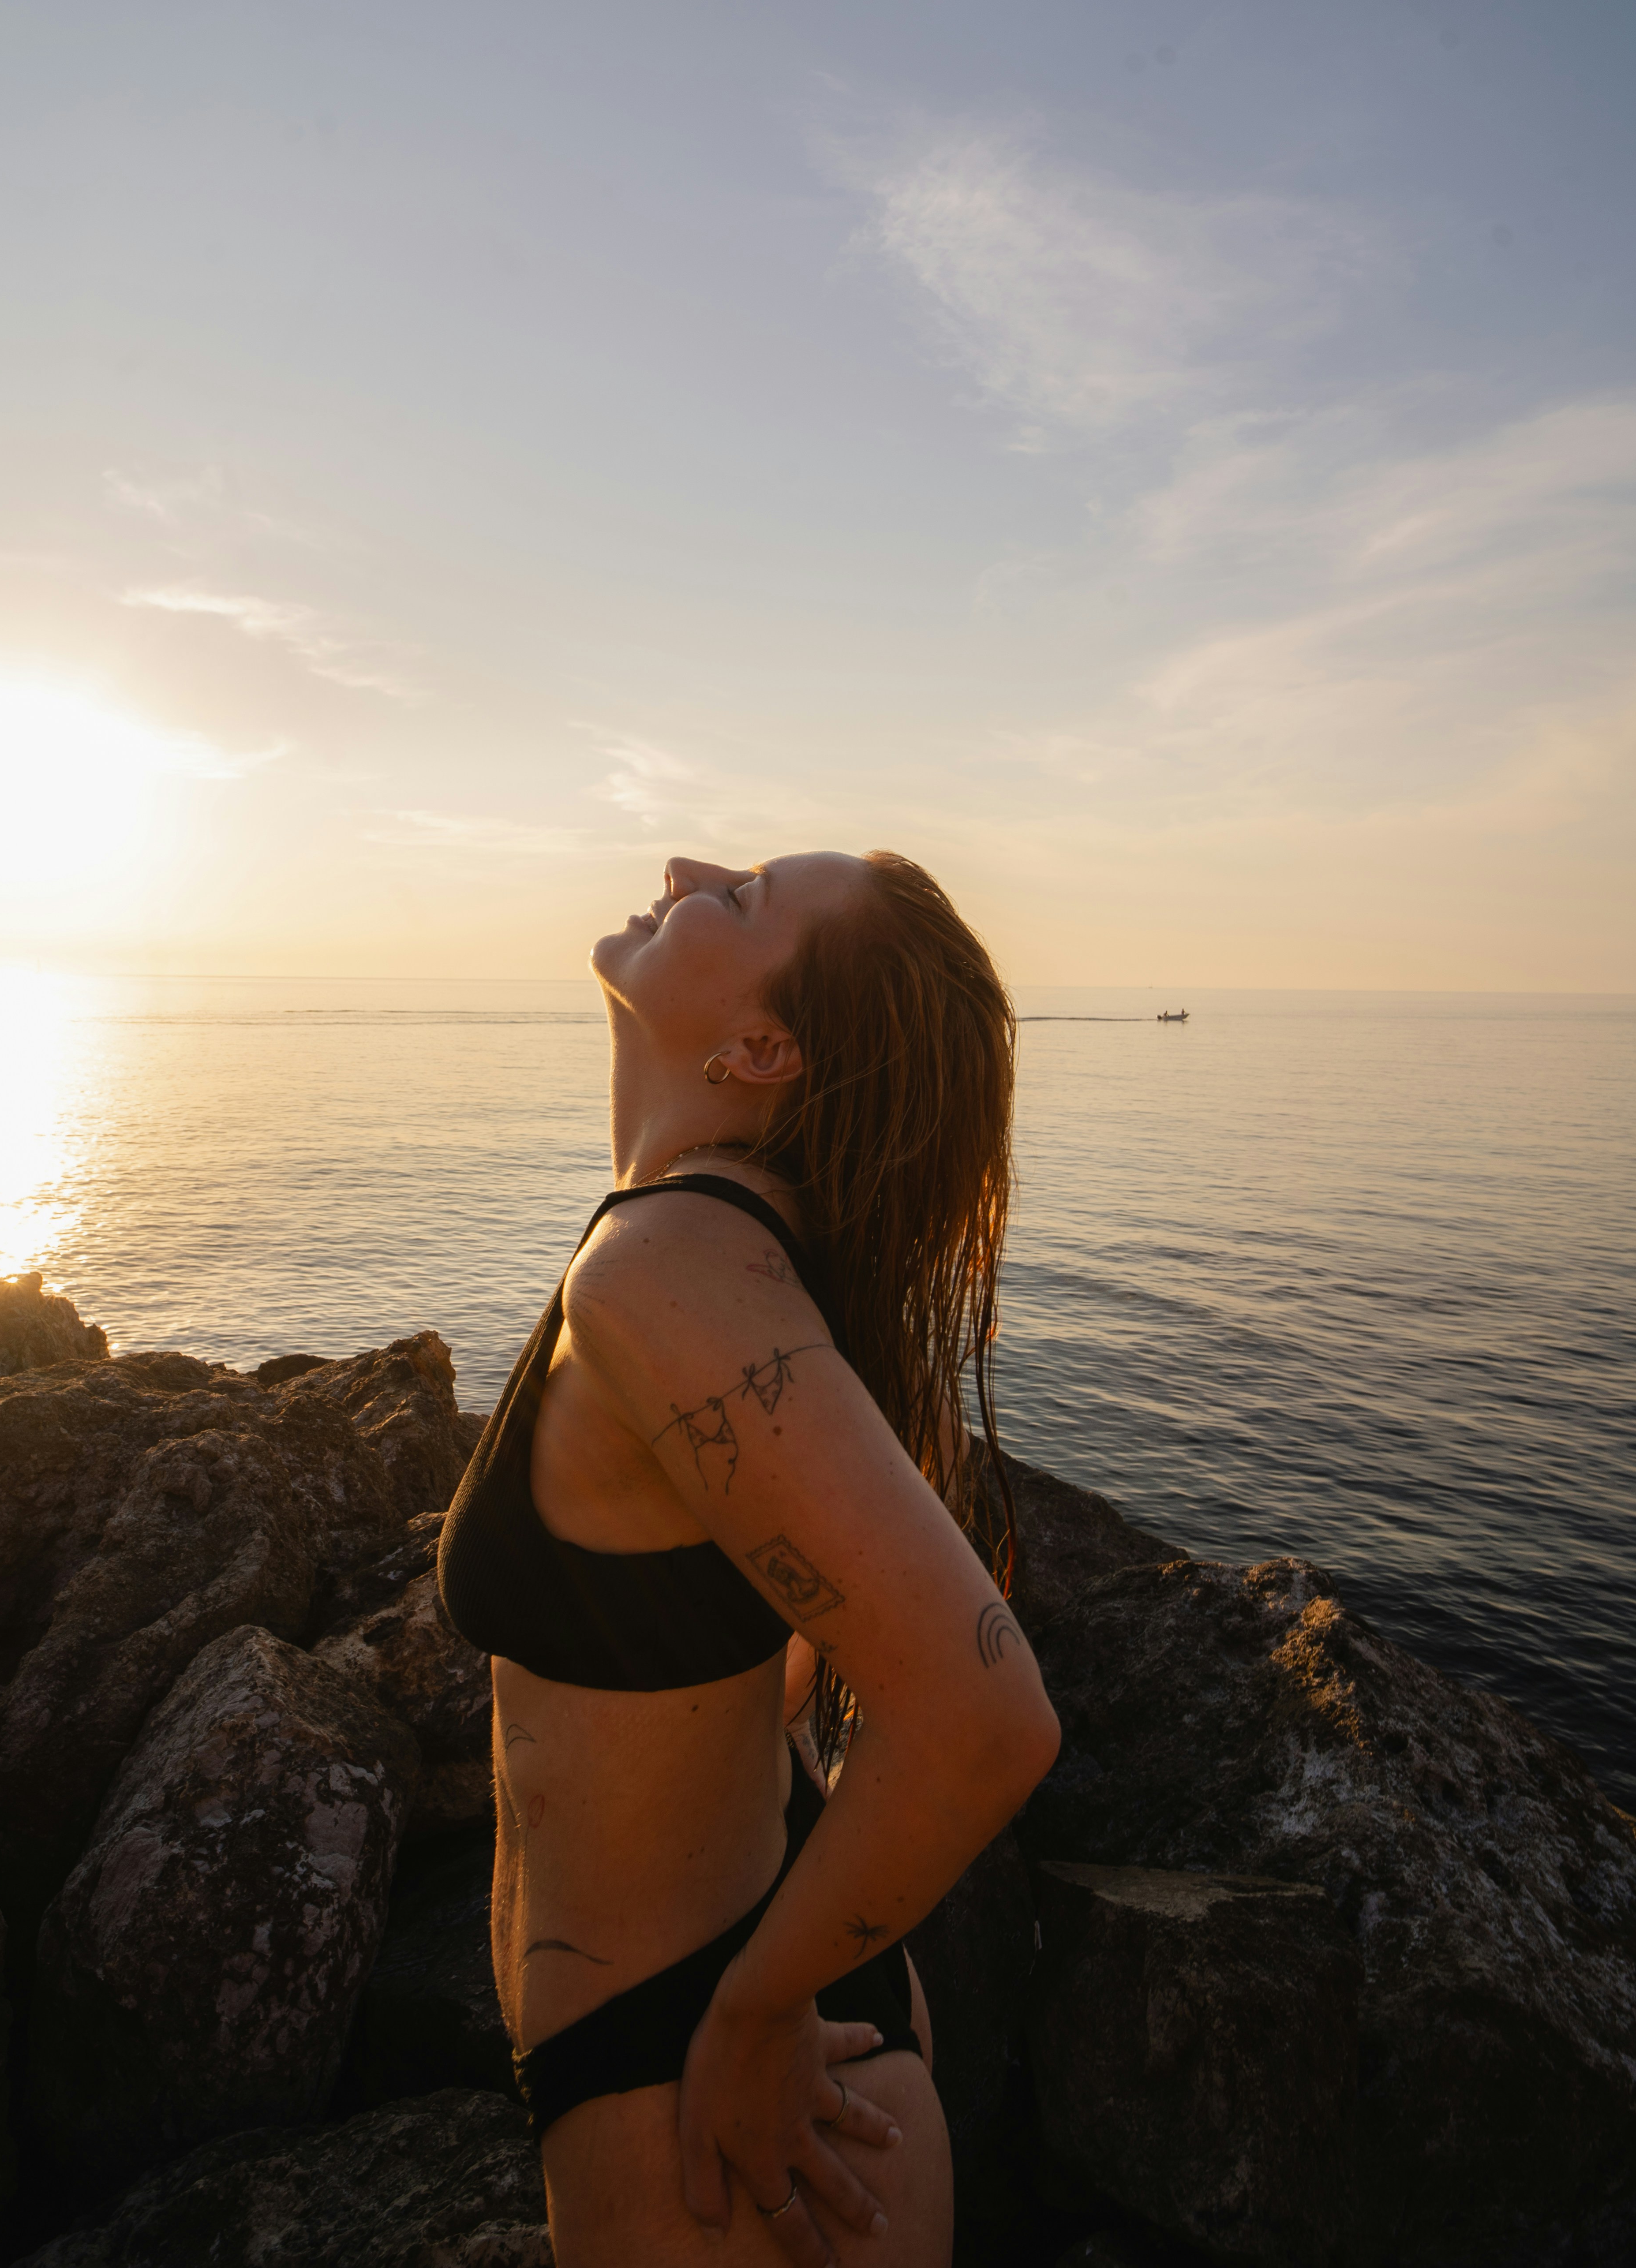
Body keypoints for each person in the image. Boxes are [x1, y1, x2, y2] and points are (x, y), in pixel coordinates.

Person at [438, 851, 1061, 2266]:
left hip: (712, 2095)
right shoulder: (734, 1258)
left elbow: (986, 1716)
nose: (684, 868)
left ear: (761, 1049)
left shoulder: (664, 1266)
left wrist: (760, 2010)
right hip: (723, 2032)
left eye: (742, 896)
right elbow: (761, 1645)